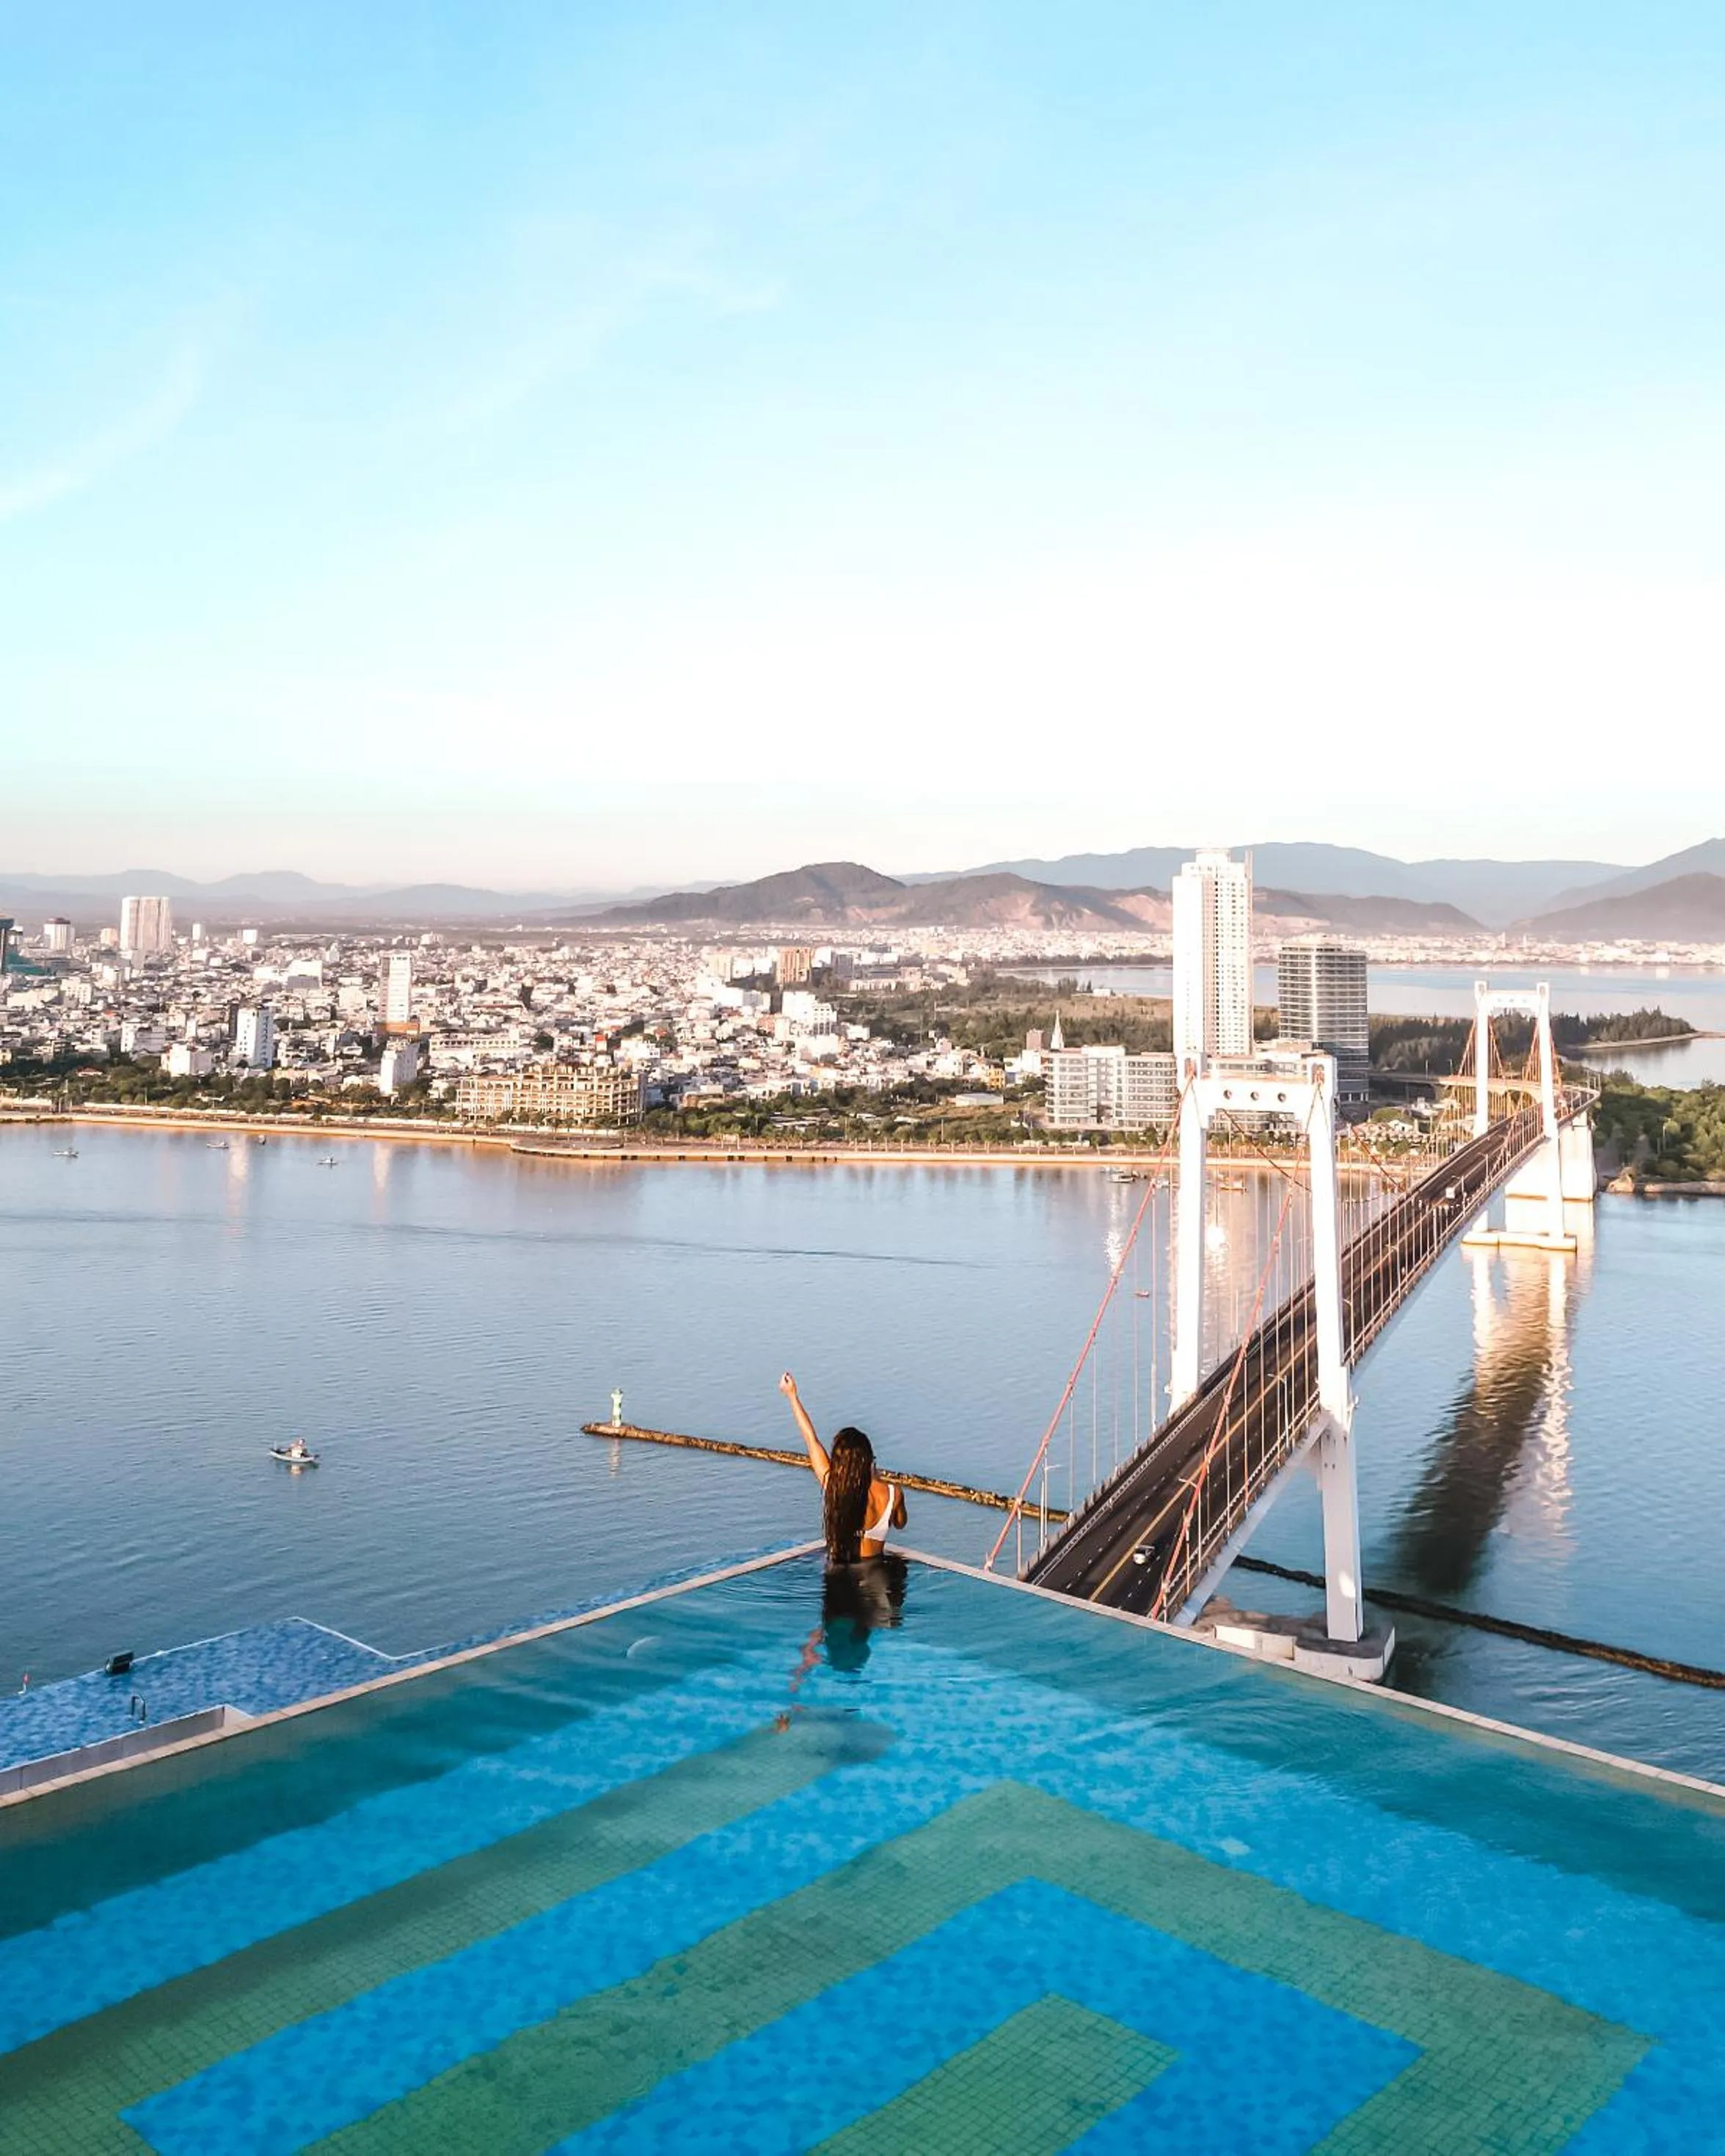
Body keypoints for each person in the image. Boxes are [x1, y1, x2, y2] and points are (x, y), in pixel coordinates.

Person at [778, 1372, 906, 1563]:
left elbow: (811, 1440)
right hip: (877, 1575)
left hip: (841, 1575)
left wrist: (792, 1396)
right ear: (869, 1457)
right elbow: (900, 1523)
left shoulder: (834, 1486)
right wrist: (877, 1479)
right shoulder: (892, 1494)